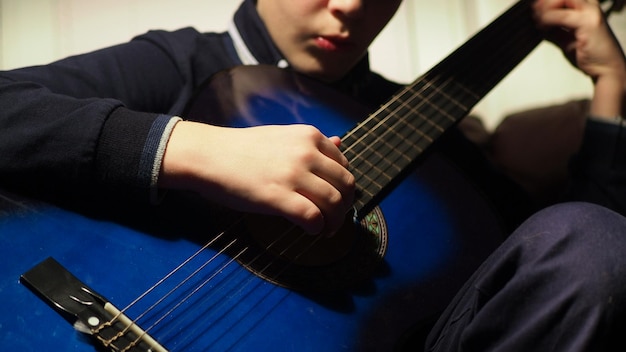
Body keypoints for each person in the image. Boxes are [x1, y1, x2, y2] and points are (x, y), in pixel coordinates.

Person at [0, 0, 625, 350]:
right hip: (65, 313)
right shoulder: (183, 62)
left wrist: (612, 93)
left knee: (592, 235)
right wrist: (193, 150)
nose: (351, 3)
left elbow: (580, 274)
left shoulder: (441, 148)